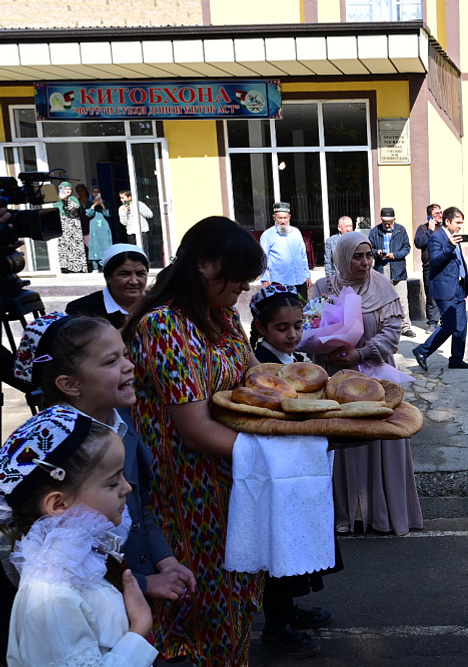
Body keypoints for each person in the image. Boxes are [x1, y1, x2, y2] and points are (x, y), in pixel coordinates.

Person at [123, 216, 268, 665]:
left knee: (237, 592)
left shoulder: (222, 316)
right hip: (188, 489)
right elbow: (194, 427)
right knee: (202, 599)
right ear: (204, 264)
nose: (243, 287)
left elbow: (253, 382)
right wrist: (271, 459)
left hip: (231, 478)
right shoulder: (165, 325)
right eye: (238, 275)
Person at [12, 312, 197, 605]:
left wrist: (166, 560)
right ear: (71, 384)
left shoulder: (121, 421)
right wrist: (142, 583)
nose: (129, 366)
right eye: (111, 361)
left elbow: (137, 506)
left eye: (125, 354)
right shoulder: (61, 448)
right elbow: (59, 557)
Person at [1, 406, 158, 667]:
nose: (127, 488)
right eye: (112, 482)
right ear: (59, 504)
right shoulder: (50, 597)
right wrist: (139, 630)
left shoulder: (79, 559)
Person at [307, 232, 424, 536]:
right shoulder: (324, 287)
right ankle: (344, 514)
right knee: (340, 442)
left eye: (368, 255)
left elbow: (393, 330)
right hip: (334, 378)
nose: (364, 262)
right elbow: (308, 327)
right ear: (343, 257)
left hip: (376, 377)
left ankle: (380, 513)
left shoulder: (382, 286)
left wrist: (361, 352)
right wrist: (327, 350)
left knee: (378, 441)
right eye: (357, 256)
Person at [248, 285, 337, 659]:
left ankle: (291, 611)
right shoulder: (260, 366)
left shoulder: (299, 358)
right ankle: (276, 625)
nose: (293, 334)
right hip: (279, 471)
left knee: (300, 543)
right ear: (262, 329)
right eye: (282, 328)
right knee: (280, 549)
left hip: (305, 465)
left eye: (298, 325)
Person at [412, 207, 468, 371]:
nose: (460, 226)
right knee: (450, 324)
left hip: (458, 287)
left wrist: (465, 285)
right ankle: (422, 351)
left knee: (461, 326)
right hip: (444, 289)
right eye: (458, 222)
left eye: (461, 223)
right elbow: (435, 260)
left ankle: (456, 359)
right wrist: (449, 246)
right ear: (448, 221)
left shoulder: (455, 237)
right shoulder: (436, 238)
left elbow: (459, 262)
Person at [66, 244, 149, 330]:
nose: (134, 281)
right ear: (108, 277)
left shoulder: (158, 304)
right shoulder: (82, 309)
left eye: (140, 274)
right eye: (125, 274)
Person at [368, 207, 416, 338]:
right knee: (380, 300)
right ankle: (381, 327)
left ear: (394, 219)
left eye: (389, 222)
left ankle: (405, 327)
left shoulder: (401, 230)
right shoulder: (375, 231)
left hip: (398, 268)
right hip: (380, 269)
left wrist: (394, 255)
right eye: (384, 222)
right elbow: (368, 248)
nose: (387, 225)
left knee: (402, 300)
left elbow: (407, 247)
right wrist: (376, 253)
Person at [260, 201, 312, 300]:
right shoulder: (268, 235)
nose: (283, 221)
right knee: (284, 312)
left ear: (289, 217)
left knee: (303, 310)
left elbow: (303, 255)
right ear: (274, 218)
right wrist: (265, 279)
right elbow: (263, 259)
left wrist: (307, 275)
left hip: (300, 280)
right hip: (281, 283)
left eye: (285, 218)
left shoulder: (296, 232)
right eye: (280, 218)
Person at [414, 204, 443, 332]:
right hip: (429, 267)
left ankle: (444, 320)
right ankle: (432, 322)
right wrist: (430, 231)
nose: (440, 215)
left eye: (441, 212)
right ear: (430, 216)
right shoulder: (423, 229)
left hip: (444, 266)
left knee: (444, 294)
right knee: (431, 295)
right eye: (437, 213)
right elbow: (419, 243)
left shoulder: (444, 228)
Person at [56, 181, 87, 273]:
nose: (68, 191)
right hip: (62, 226)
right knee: (64, 246)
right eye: (65, 189)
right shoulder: (57, 199)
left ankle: (78, 267)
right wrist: (61, 200)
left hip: (73, 226)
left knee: (75, 246)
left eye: (69, 189)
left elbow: (74, 209)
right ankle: (65, 266)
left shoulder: (73, 199)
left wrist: (65, 200)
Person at [84, 186, 113, 272]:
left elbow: (108, 214)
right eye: (94, 192)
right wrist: (93, 205)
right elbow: (88, 214)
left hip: (103, 225)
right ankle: (95, 266)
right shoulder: (88, 203)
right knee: (95, 244)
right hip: (94, 226)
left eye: (98, 191)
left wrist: (102, 205)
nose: (96, 193)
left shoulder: (105, 203)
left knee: (105, 243)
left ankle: (105, 265)